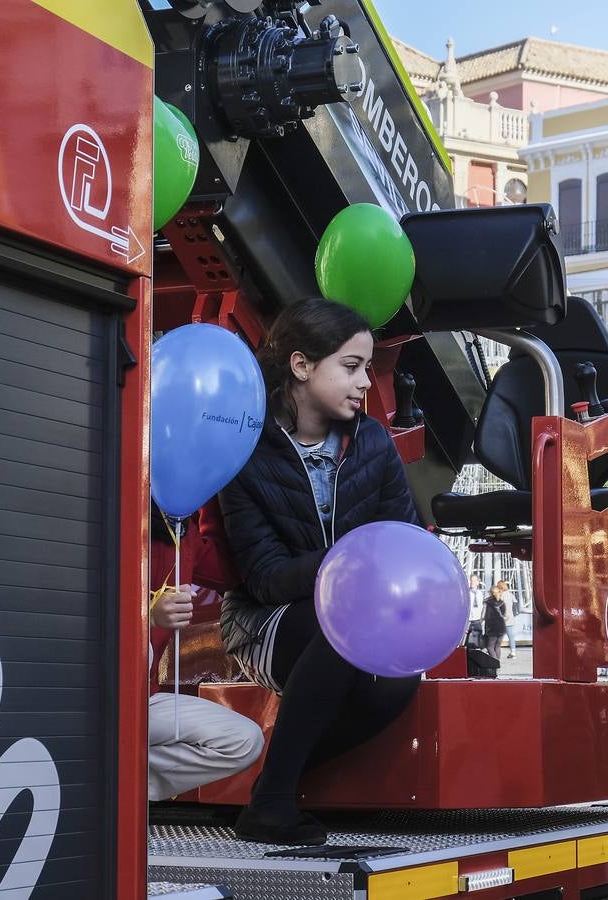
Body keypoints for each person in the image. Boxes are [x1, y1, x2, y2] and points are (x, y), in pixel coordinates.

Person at [218, 298, 421, 845]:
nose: (364, 383)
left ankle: (271, 789)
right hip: (267, 623)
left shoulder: (374, 444)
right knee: (342, 625)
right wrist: (347, 570)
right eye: (350, 367)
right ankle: (275, 806)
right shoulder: (246, 453)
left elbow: (404, 542)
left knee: (402, 682)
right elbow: (263, 577)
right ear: (302, 366)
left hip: (359, 615)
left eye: (368, 369)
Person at [147, 507, 264, 803]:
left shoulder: (183, 533)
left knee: (244, 742)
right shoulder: (114, 517)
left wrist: (217, 505)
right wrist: (145, 615)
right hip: (89, 702)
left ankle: (117, 782)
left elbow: (231, 572)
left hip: (144, 699)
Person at [482, 583, 509, 661]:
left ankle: (495, 663)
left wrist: (481, 620)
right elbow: (504, 615)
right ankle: (498, 663)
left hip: (492, 627)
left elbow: (484, 614)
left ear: (490, 593)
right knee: (497, 646)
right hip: (501, 627)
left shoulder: (487, 602)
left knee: (490, 647)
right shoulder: (502, 602)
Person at [496, 579, 519, 658]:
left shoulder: (500, 596)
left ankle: (494, 650)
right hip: (510, 618)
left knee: (497, 636)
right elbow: (516, 604)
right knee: (511, 636)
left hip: (502, 619)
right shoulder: (510, 595)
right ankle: (513, 652)